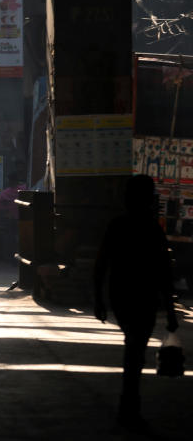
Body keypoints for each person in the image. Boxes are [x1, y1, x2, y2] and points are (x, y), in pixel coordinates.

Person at [94, 174, 179, 430]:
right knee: (136, 349)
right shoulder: (152, 228)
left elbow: (101, 265)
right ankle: (129, 405)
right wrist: (171, 309)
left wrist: (99, 299)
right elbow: (164, 272)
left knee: (134, 346)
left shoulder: (117, 225)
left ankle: (128, 404)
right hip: (144, 296)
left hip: (121, 295)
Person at [0, 171, 27, 259]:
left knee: (10, 238)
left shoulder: (5, 193)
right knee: (20, 238)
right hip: (22, 218)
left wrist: (6, 209)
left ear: (9, 181)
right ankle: (20, 255)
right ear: (17, 180)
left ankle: (11, 256)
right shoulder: (24, 189)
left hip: (10, 218)